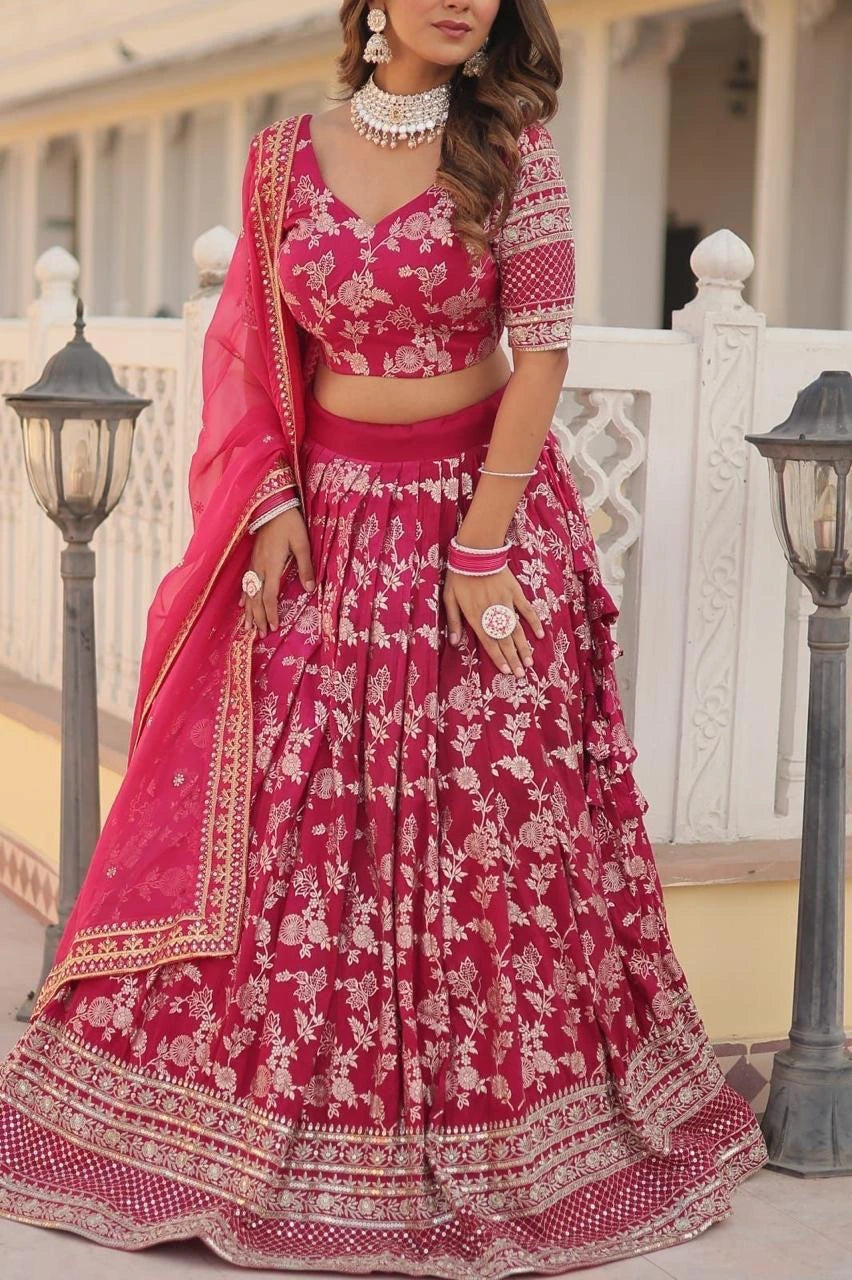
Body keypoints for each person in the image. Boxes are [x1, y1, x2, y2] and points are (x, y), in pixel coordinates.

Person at [0, 2, 768, 1276]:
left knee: (490, 825)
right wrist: (271, 501)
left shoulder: (512, 149)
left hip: (480, 521)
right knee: (299, 825)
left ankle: (504, 1129)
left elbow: (542, 354)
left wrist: (481, 544)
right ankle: (263, 1124)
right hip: (331, 522)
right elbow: (255, 352)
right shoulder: (280, 161)